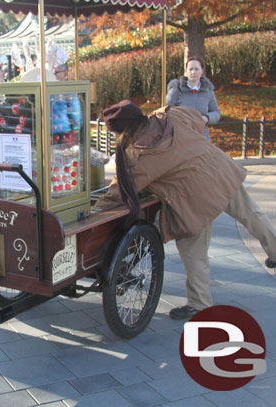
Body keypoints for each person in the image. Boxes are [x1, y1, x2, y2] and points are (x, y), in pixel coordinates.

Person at [95, 100, 276, 320]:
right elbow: (198, 122)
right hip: (220, 169)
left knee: (194, 253)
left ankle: (200, 304)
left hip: (196, 198)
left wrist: (95, 210)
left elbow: (121, 191)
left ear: (121, 132)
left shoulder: (138, 156)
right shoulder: (169, 115)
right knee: (252, 215)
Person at [166, 56, 220, 141]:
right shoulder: (176, 89)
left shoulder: (208, 91)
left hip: (202, 137)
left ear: (202, 71)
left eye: (196, 69)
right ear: (186, 71)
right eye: (190, 69)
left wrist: (206, 118)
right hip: (181, 138)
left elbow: (216, 112)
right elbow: (166, 110)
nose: (193, 72)